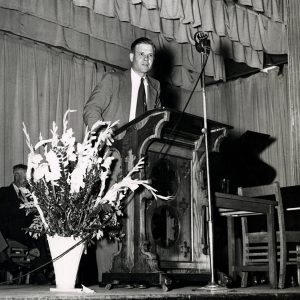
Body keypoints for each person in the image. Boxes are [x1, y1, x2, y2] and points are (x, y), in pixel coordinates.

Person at [83, 37, 161, 129]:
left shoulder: (155, 86)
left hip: (143, 141)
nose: (146, 59)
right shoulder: (113, 79)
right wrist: (100, 131)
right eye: (141, 54)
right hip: (115, 139)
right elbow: (91, 108)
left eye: (150, 55)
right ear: (132, 57)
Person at [0, 164, 50, 284]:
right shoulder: (3, 192)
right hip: (10, 228)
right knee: (32, 234)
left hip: (28, 229)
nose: (27, 181)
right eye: (25, 178)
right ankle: (40, 271)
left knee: (40, 232)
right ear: (16, 176)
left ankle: (39, 270)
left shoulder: (31, 195)